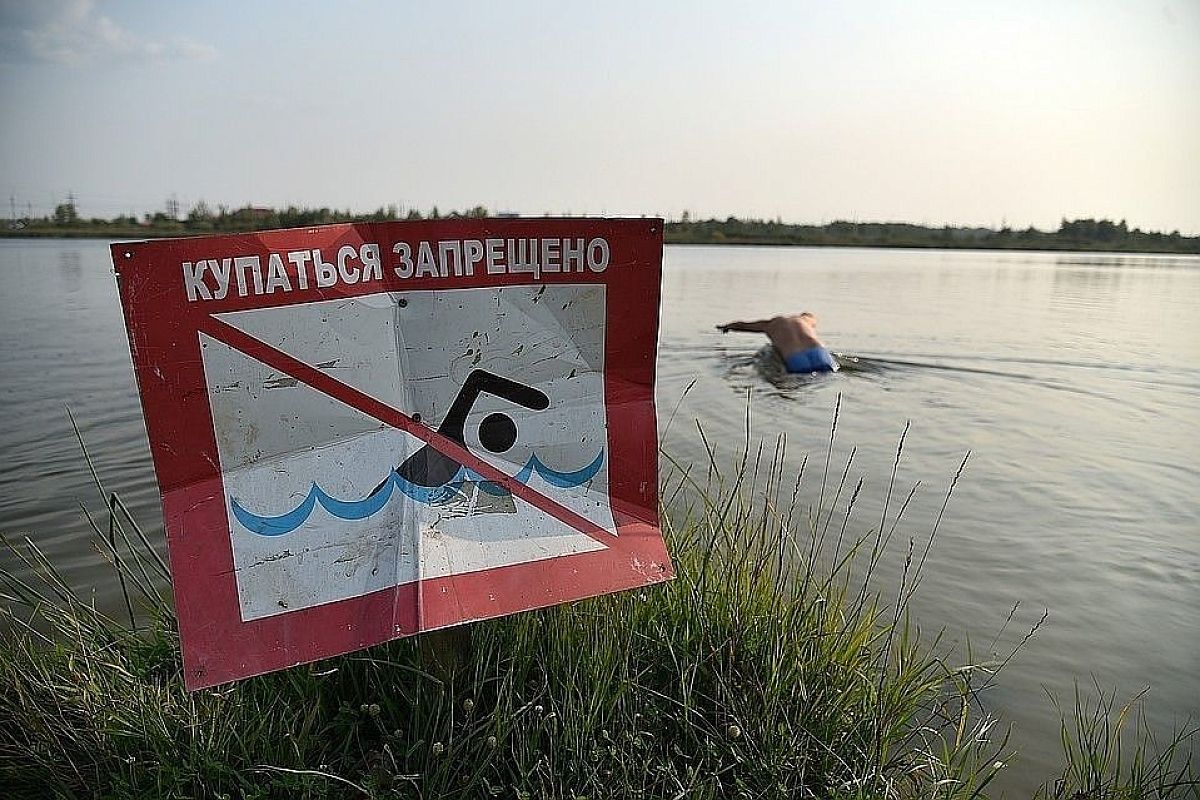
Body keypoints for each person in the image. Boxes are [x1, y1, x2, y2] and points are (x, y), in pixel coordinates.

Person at [717, 312, 838, 373]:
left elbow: (742, 325)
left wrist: (727, 327)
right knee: (829, 373)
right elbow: (812, 317)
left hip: (795, 358)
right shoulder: (805, 320)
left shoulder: (769, 325)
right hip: (819, 353)